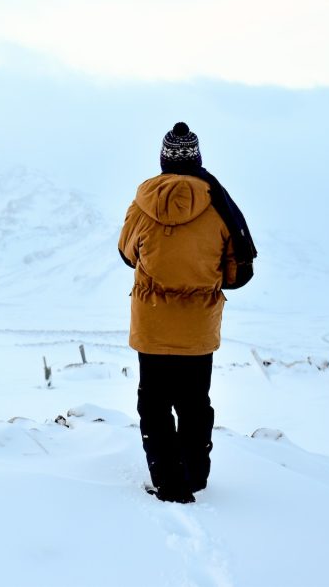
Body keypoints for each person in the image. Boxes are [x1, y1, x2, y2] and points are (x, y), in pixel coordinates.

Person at [118, 122, 256, 503]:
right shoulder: (218, 206)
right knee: (195, 404)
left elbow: (126, 253)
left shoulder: (142, 204)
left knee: (154, 405)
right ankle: (193, 476)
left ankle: (168, 482)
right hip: (198, 330)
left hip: (152, 324)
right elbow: (236, 273)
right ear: (197, 159)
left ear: (163, 159)